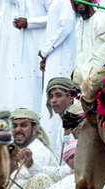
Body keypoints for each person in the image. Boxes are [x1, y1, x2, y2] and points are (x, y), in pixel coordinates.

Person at [0, 0, 48, 113]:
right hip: (7, 43)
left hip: (34, 43)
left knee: (31, 87)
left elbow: (56, 16)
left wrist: (30, 22)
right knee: (8, 84)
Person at [39, 0, 78, 154]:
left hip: (62, 59)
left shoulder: (65, 2)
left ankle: (61, 152)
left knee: (61, 103)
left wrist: (45, 50)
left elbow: (66, 26)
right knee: (52, 105)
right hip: (54, 58)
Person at [8, 108, 69, 189]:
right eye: (14, 126)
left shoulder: (37, 150)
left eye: (23, 125)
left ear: (34, 129)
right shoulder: (21, 150)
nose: (18, 130)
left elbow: (21, 179)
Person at [43, 77, 79, 161]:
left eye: (58, 95)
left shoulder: (79, 123)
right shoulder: (61, 126)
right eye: (51, 97)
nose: (53, 100)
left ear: (70, 97)